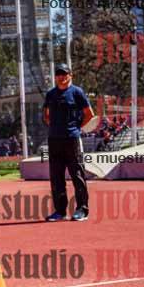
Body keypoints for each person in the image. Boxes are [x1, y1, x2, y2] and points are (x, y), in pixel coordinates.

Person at [43, 64, 95, 222]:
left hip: (72, 139)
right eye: (59, 74)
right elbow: (46, 115)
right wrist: (55, 127)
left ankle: (82, 210)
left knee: (77, 175)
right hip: (54, 140)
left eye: (64, 74)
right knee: (56, 177)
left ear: (70, 75)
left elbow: (89, 114)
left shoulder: (77, 92)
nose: (61, 77)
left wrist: (76, 128)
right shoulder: (50, 94)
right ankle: (60, 211)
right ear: (55, 77)